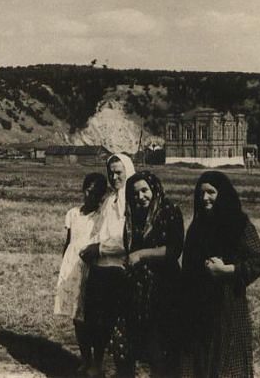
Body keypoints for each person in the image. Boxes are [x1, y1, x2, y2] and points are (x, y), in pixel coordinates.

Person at [181, 171, 260, 378]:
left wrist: (228, 270)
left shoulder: (239, 224)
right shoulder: (197, 226)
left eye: (211, 192)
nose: (205, 198)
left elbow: (258, 260)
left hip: (228, 303)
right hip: (199, 306)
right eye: (201, 193)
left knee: (227, 361)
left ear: (224, 194)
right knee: (199, 361)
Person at [112, 171, 184, 378]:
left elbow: (174, 250)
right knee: (127, 343)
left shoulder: (169, 211)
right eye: (135, 193)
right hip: (135, 287)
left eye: (145, 191)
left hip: (163, 288)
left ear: (155, 190)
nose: (140, 197)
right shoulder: (133, 214)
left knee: (160, 345)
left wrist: (141, 255)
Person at [80, 153, 136, 378]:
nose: (114, 177)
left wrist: (100, 249)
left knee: (116, 323)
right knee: (96, 320)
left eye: (118, 172)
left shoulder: (131, 200)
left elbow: (127, 239)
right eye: (111, 173)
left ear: (128, 172)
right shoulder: (109, 199)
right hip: (99, 266)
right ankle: (97, 364)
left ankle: (122, 370)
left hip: (117, 268)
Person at [54, 172, 108, 375]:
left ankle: (98, 361)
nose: (90, 195)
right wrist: (64, 267)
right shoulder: (73, 213)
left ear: (102, 195)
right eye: (88, 190)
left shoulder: (102, 216)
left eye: (96, 193)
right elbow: (68, 242)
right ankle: (85, 359)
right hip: (72, 267)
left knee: (94, 316)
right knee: (77, 317)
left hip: (91, 267)